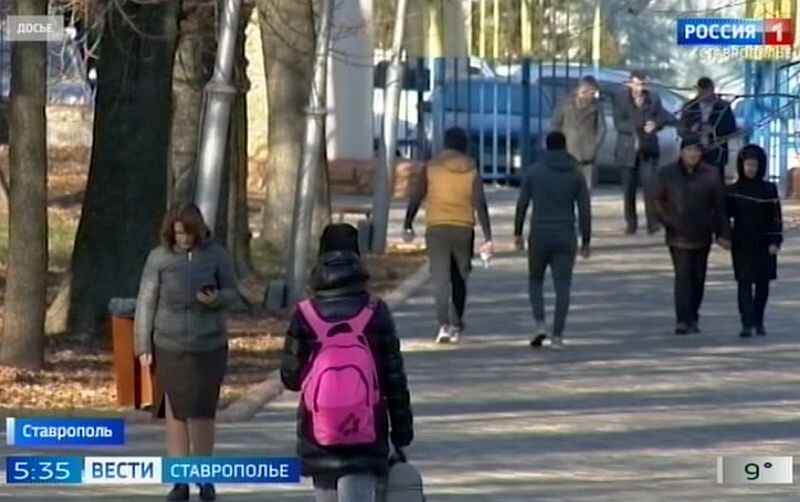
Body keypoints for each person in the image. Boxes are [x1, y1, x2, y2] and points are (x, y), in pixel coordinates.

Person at [281, 223, 414, 502]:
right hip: (366, 432)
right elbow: (393, 378)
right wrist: (401, 433)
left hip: (319, 433)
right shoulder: (375, 311)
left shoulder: (305, 314)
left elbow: (290, 378)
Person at [134, 203, 238, 502]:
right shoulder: (159, 258)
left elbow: (234, 293)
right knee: (176, 413)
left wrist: (216, 299)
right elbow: (146, 302)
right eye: (179, 234)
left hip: (209, 346)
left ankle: (204, 477)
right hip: (169, 344)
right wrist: (143, 345)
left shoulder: (216, 255)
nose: (184, 239)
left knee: (203, 414)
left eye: (189, 234)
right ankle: (179, 479)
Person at [403, 127, 493, 344]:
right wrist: (487, 236)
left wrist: (408, 223)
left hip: (437, 227)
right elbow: (480, 203)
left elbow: (416, 196)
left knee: (440, 277)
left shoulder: (431, 167)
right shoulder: (471, 170)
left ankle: (443, 325)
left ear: (445, 144)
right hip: (463, 228)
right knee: (460, 277)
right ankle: (456, 323)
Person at [513, 131, 591, 350]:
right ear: (565, 147)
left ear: (546, 147)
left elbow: (522, 203)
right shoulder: (576, 173)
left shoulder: (535, 171)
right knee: (562, 286)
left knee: (535, 280)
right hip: (565, 235)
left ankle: (540, 324)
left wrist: (517, 233)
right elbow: (584, 209)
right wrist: (586, 239)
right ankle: (557, 335)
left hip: (539, 234)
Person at [651, 138, 731, 335]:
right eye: (689, 150)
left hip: (702, 233)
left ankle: (693, 316)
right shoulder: (667, 173)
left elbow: (720, 206)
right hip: (677, 234)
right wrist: (667, 221)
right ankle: (682, 319)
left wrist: (723, 233)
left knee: (698, 276)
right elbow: (656, 200)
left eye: (696, 150)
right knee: (683, 275)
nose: (692, 154)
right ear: (682, 152)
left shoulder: (711, 174)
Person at [726, 144, 783, 337]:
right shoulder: (733, 190)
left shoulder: (769, 189)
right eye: (748, 165)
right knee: (744, 282)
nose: (751, 169)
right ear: (741, 166)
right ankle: (746, 322)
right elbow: (724, 217)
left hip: (764, 242)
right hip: (742, 242)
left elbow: (776, 217)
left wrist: (775, 241)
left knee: (762, 283)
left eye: (754, 165)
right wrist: (725, 236)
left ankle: (759, 321)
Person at [612, 70, 675, 235]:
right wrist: (639, 126)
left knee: (650, 187)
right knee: (629, 188)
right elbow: (619, 123)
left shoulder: (653, 98)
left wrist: (655, 123)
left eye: (643, 84)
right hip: (628, 147)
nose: (640, 88)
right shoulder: (621, 99)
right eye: (637, 84)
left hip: (648, 148)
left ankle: (652, 223)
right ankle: (631, 223)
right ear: (630, 84)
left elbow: (664, 117)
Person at [551, 75, 607, 190]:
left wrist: (594, 145)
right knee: (566, 189)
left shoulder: (596, 106)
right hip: (568, 151)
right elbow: (555, 124)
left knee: (585, 190)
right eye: (590, 91)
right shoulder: (565, 103)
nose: (592, 95)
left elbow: (602, 128)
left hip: (587, 153)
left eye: (593, 92)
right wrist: (560, 146)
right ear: (581, 89)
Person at [678, 77, 738, 182]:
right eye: (701, 92)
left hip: (716, 152)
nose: (704, 95)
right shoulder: (689, 107)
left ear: (712, 90)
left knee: (716, 184)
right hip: (693, 152)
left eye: (706, 92)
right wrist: (693, 129)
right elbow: (681, 130)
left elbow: (731, 129)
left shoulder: (723, 107)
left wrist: (715, 130)